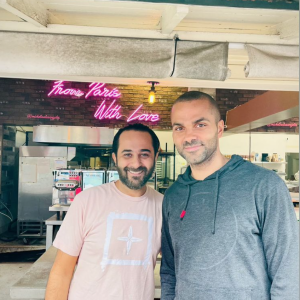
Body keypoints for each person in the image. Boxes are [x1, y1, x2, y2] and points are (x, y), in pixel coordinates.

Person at [160, 91, 299, 300]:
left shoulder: (264, 186)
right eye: (179, 128)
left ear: (219, 128)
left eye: (200, 124)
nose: (189, 137)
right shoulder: (173, 195)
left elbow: (287, 270)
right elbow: (170, 270)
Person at [46, 123, 163, 300]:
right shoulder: (87, 201)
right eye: (127, 154)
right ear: (115, 158)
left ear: (156, 156)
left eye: (144, 154)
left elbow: (178, 262)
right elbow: (62, 271)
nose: (136, 163)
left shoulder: (163, 206)